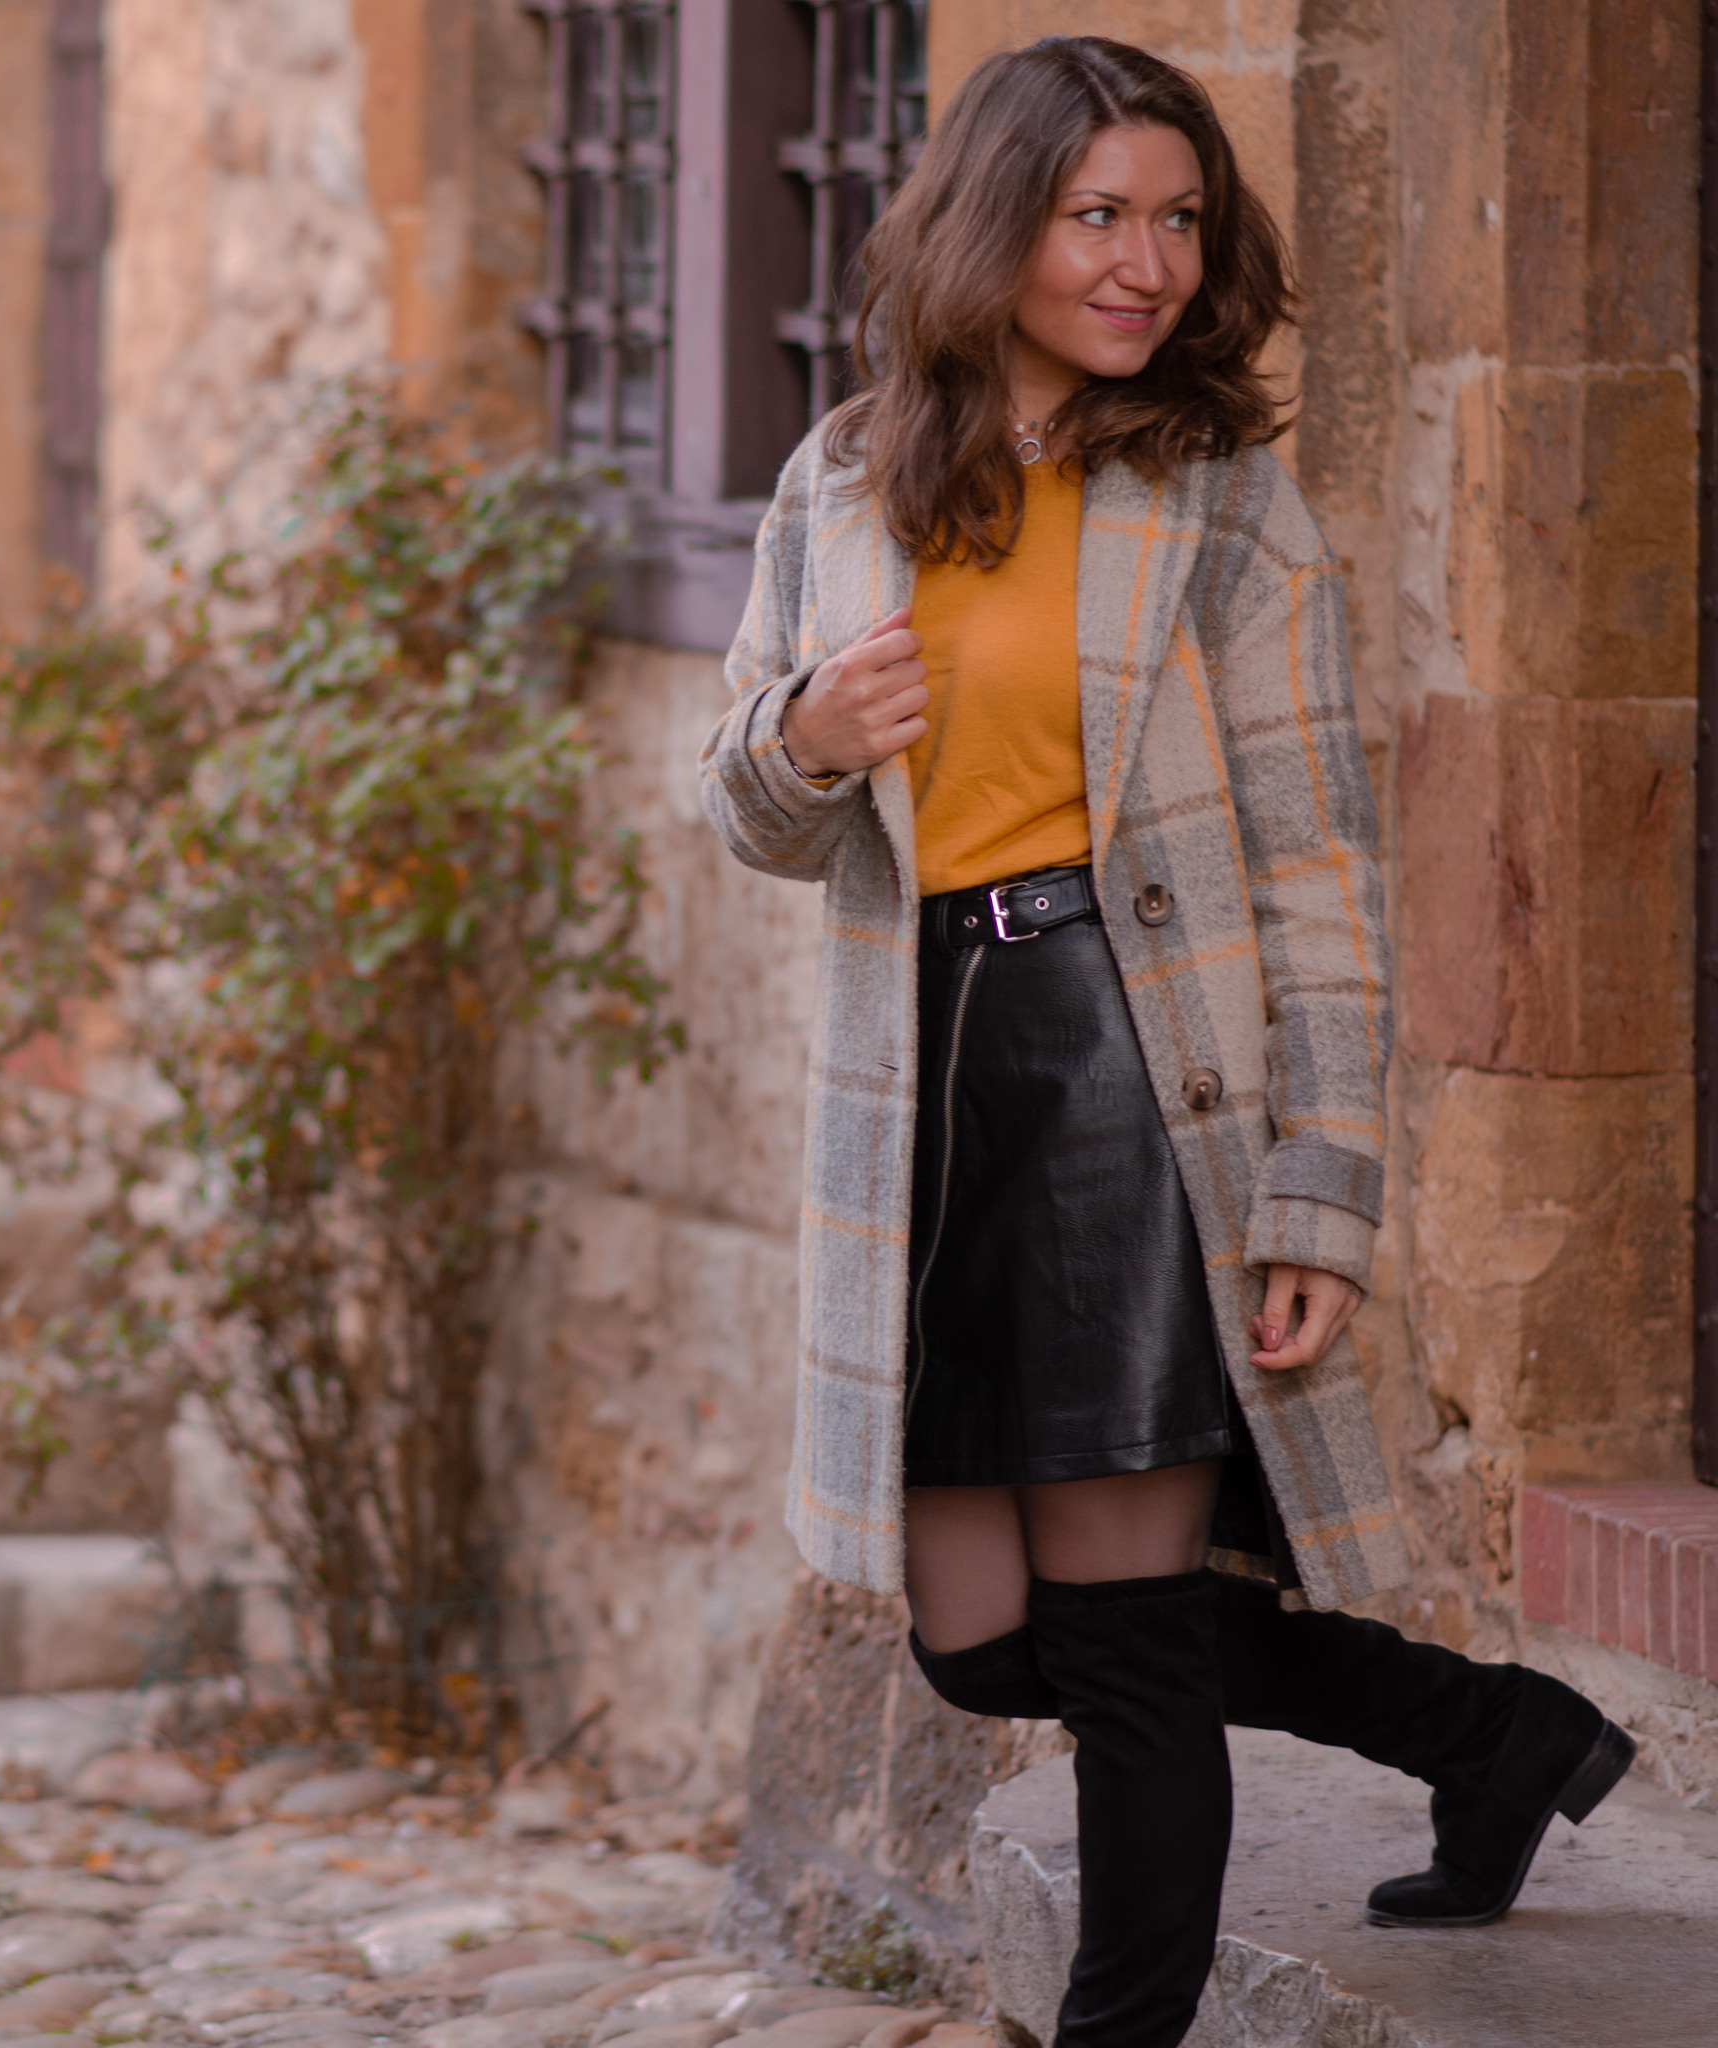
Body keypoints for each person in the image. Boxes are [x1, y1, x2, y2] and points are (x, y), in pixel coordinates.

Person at [698, 36, 1637, 2048]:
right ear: (992, 224)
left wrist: (1316, 1186)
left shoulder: (1216, 499)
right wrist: (803, 740)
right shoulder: (844, 476)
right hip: (928, 1088)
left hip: (1137, 1079)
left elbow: (1317, 861)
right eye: (1096, 213)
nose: (1144, 261)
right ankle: (1491, 1733)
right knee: (976, 1642)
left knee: (1122, 1642)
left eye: (1177, 219)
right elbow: (743, 808)